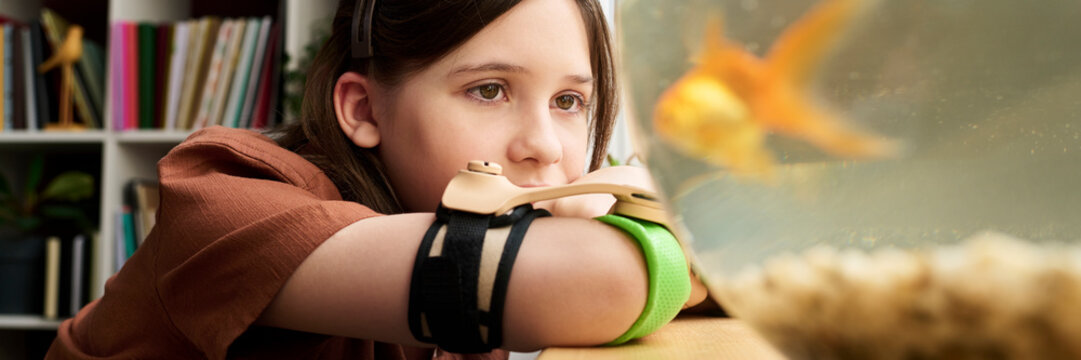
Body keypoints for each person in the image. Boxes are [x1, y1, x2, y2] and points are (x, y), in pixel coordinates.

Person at [48, 0, 707, 358]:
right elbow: (600, 282)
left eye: (568, 102)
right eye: (488, 89)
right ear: (363, 110)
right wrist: (647, 218)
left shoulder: (465, 213)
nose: (543, 147)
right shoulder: (227, 198)